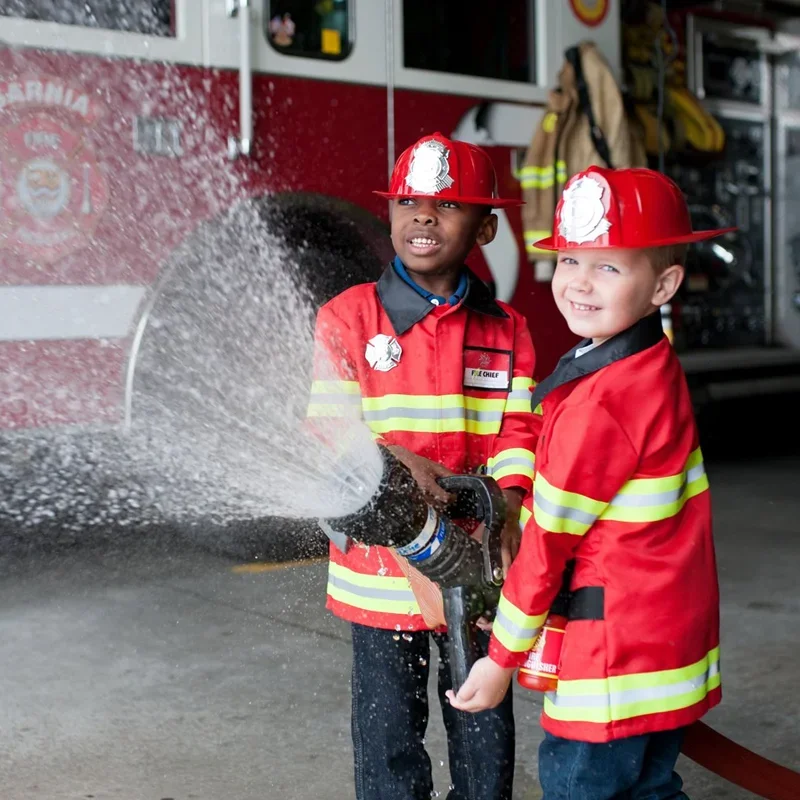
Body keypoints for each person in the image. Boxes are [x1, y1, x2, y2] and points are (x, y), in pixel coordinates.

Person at [448, 166, 730, 800]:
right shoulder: (649, 362)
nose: (577, 282)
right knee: (651, 788)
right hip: (663, 641)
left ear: (664, 284)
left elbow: (548, 543)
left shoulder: (602, 402)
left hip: (613, 660)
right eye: (571, 258)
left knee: (585, 789)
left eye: (608, 267)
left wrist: (500, 660)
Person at [307, 132, 541, 799]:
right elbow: (325, 428)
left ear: (487, 226)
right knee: (388, 748)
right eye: (408, 200)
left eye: (447, 205)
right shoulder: (346, 319)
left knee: (483, 735)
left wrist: (511, 507)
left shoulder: (507, 329)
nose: (423, 217)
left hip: (476, 574)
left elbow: (519, 429)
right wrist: (387, 458)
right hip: (378, 584)